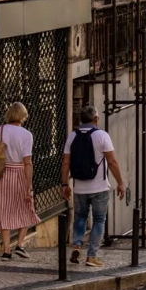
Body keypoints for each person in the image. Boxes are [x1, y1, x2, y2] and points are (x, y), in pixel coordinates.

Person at [61, 106, 125, 267]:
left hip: (79, 187)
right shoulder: (102, 136)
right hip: (99, 187)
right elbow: (111, 161)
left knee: (80, 217)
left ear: (81, 120)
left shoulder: (72, 136)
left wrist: (64, 184)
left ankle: (76, 245)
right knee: (98, 220)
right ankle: (92, 256)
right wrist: (120, 183)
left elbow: (66, 162)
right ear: (96, 119)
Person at [0, 102, 42, 260]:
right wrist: (29, 185)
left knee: (4, 211)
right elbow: (28, 162)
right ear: (23, 116)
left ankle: (6, 250)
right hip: (19, 173)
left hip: (2, 173)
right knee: (25, 208)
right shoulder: (26, 135)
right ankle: (20, 244)